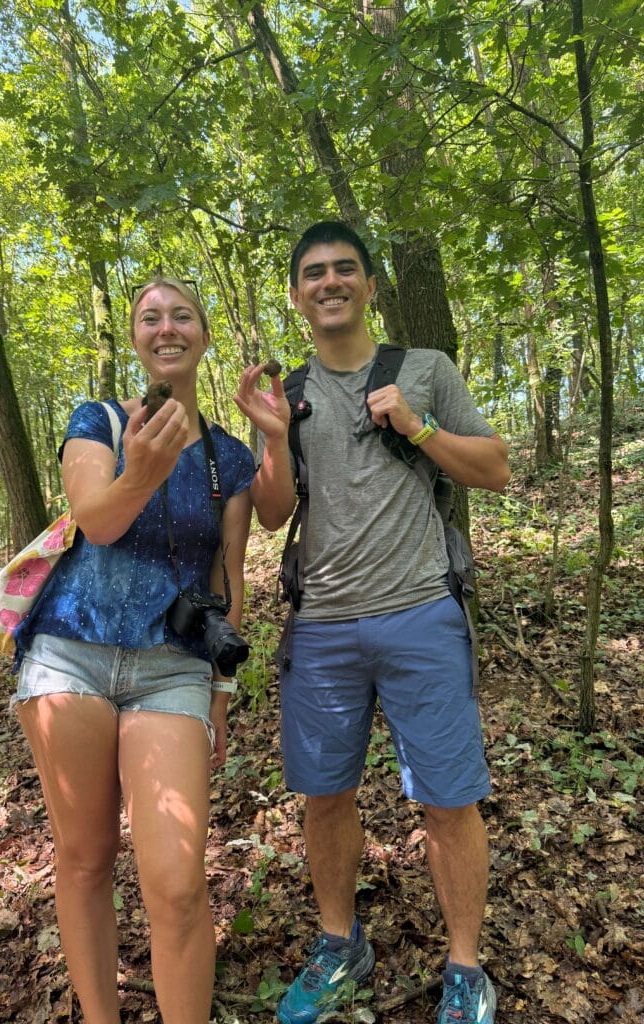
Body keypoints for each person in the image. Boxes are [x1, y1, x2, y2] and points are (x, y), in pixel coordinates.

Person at [234, 222, 510, 1024]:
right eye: (313, 273)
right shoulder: (283, 393)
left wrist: (417, 427)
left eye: (344, 269)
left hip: (422, 611)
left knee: (448, 800)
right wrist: (276, 438)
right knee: (325, 795)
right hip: (320, 627)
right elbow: (272, 514)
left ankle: (465, 970)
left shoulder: (426, 370)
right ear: (296, 294)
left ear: (370, 286)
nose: (329, 282)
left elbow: (494, 468)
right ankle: (339, 944)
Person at [11, 277, 255, 1024]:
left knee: (178, 882)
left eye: (182, 314)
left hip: (172, 667)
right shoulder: (99, 421)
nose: (167, 327)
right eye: (151, 317)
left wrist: (221, 692)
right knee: (85, 860)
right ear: (136, 338)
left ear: (204, 334)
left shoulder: (229, 458)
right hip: (70, 655)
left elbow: (228, 574)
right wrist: (141, 470)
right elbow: (98, 520)